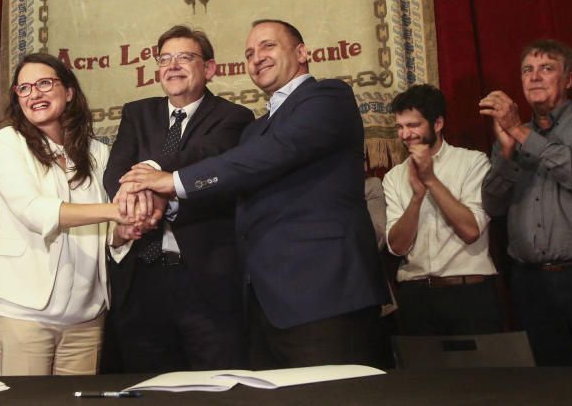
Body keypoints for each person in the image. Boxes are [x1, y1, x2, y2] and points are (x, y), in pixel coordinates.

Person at [122, 19, 389, 369]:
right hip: (264, 304)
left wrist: (172, 182)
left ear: (302, 52)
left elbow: (272, 153)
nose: (257, 57)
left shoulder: (328, 96)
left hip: (324, 292)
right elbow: (236, 178)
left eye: (268, 46)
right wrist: (151, 202)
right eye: (249, 53)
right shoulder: (255, 130)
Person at [0, 52, 149, 376]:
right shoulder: (9, 141)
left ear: (69, 92)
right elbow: (33, 211)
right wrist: (116, 211)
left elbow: (101, 229)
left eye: (44, 83)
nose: (34, 94)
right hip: (22, 311)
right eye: (24, 88)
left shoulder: (98, 153)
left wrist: (121, 232)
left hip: (86, 316)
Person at [103, 25, 253, 372]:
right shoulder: (137, 113)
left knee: (216, 384)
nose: (173, 66)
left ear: (209, 69)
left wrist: (156, 175)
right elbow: (116, 173)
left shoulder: (234, 117)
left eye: (185, 57)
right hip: (143, 275)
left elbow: (207, 155)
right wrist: (141, 203)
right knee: (149, 384)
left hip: (205, 279)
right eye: (165, 59)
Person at [479, 39, 572, 365]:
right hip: (531, 283)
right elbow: (493, 206)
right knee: (552, 383)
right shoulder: (512, 134)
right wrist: (507, 152)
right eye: (528, 70)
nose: (534, 77)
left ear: (569, 80)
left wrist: (520, 134)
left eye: (546, 68)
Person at [384, 84, 500, 336]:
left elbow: (471, 230)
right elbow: (397, 247)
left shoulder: (472, 162)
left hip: (468, 293)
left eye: (413, 125)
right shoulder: (394, 177)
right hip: (416, 297)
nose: (405, 134)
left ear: (437, 124)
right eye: (400, 127)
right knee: (424, 376)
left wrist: (431, 181)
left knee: (481, 376)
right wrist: (416, 197)